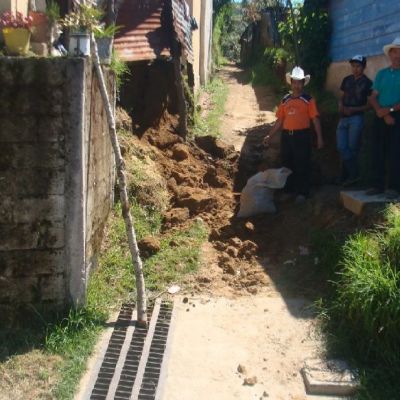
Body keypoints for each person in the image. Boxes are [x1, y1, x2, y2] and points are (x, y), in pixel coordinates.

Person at [263, 66, 323, 203]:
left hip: (302, 136)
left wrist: (320, 138)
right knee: (287, 164)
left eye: (299, 82)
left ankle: (303, 193)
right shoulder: (285, 100)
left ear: (303, 83)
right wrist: (269, 135)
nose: (297, 85)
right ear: (291, 83)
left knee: (302, 163)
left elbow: (315, 119)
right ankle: (288, 191)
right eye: (294, 82)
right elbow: (280, 120)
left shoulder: (308, 100)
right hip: (287, 136)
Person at [367, 37, 400, 197]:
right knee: (377, 151)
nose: (397, 55)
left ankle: (394, 187)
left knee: (396, 151)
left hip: (397, 116)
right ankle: (377, 185)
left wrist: (389, 110)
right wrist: (381, 111)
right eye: (395, 52)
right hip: (380, 114)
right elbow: (373, 96)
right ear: (390, 54)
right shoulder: (382, 74)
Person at [336, 55, 372, 186]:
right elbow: (342, 96)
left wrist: (354, 110)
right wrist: (340, 105)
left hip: (356, 118)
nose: (355, 69)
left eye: (358, 66)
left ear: (363, 67)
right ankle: (355, 174)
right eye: (353, 66)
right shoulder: (347, 80)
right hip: (343, 117)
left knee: (352, 148)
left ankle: (346, 177)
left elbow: (370, 105)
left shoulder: (368, 83)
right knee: (341, 147)